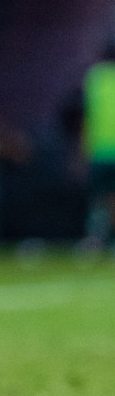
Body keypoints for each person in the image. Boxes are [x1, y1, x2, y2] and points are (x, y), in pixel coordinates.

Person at [80, 45, 115, 252]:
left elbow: (86, 116)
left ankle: (95, 239)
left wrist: (83, 149)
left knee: (100, 198)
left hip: (99, 149)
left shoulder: (94, 78)